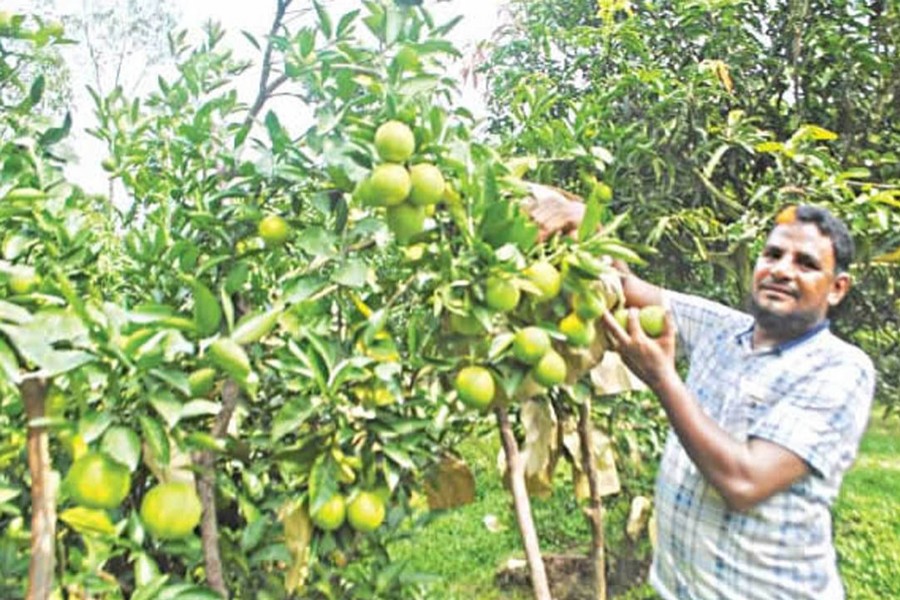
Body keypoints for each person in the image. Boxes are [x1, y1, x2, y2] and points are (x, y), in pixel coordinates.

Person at [527, 196, 876, 599]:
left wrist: (662, 378)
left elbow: (744, 482)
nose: (782, 270)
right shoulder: (723, 329)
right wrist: (584, 221)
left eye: (806, 263)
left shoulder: (840, 369)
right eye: (773, 254)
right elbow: (625, 288)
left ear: (837, 288)